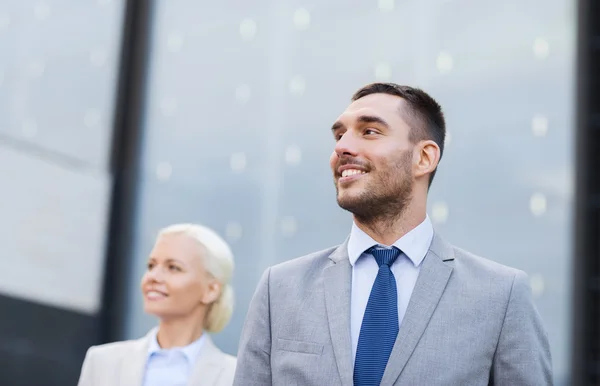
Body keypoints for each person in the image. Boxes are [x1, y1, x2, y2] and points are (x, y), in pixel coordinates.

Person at [233, 83, 553, 385]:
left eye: (369, 131)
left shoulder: (501, 295)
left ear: (424, 157)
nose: (342, 147)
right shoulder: (280, 289)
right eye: (339, 135)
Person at [78, 223, 237, 386]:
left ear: (211, 290)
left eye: (173, 268)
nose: (153, 276)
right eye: (151, 266)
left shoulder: (236, 377)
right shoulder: (103, 362)